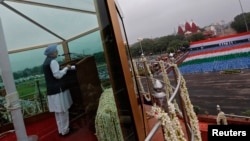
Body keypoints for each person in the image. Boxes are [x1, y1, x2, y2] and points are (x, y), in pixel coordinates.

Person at [43, 44, 74, 136]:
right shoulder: (53, 62)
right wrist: (66, 68)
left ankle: (61, 130)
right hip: (58, 89)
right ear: (52, 53)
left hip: (51, 90)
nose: (57, 52)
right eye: (56, 51)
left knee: (58, 112)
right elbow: (57, 75)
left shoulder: (46, 62)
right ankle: (65, 131)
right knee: (63, 111)